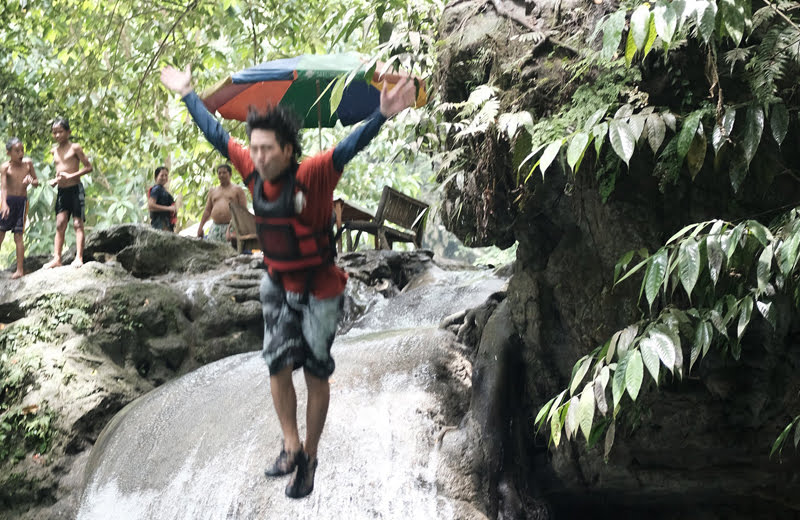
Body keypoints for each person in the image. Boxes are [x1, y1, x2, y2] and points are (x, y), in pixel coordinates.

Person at [161, 64, 416, 499]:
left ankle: (310, 459)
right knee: (276, 363)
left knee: (316, 373)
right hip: (278, 282)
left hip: (320, 287)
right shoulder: (251, 170)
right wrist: (188, 94)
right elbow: (217, 135)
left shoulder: (314, 173)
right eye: (255, 150)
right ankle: (290, 445)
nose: (258, 157)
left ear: (288, 149)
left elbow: (349, 147)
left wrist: (382, 115)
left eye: (268, 151)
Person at [44, 118, 93, 268]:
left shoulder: (75, 148)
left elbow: (88, 167)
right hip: (62, 191)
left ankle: (79, 257)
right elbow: (60, 171)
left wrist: (71, 176)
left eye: (60, 132)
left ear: (68, 132)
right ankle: (56, 258)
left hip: (75, 189)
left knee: (78, 223)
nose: (57, 135)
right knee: (60, 223)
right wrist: (55, 180)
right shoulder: (54, 150)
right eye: (54, 133)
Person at [0, 137, 39, 278]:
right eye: (17, 151)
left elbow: (36, 182)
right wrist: (3, 203)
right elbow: (3, 187)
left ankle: (19, 270)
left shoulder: (27, 164)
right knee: (0, 233)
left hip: (22, 202)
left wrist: (31, 180)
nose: (21, 153)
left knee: (18, 236)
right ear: (9, 152)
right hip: (8, 201)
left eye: (22, 150)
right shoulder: (5, 167)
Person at [197, 163, 247, 243]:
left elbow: (243, 211)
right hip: (215, 227)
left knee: (231, 253)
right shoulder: (213, 191)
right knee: (213, 251)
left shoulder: (237, 190)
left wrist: (240, 229)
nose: (221, 175)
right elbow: (207, 211)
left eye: (224, 172)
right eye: (219, 173)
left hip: (232, 227)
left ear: (230, 174)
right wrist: (200, 227)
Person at [148, 166, 177, 231]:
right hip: (160, 223)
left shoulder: (162, 189)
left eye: (166, 175)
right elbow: (151, 206)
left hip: (165, 222)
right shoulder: (156, 189)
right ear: (156, 177)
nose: (164, 177)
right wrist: (169, 208)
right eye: (161, 175)